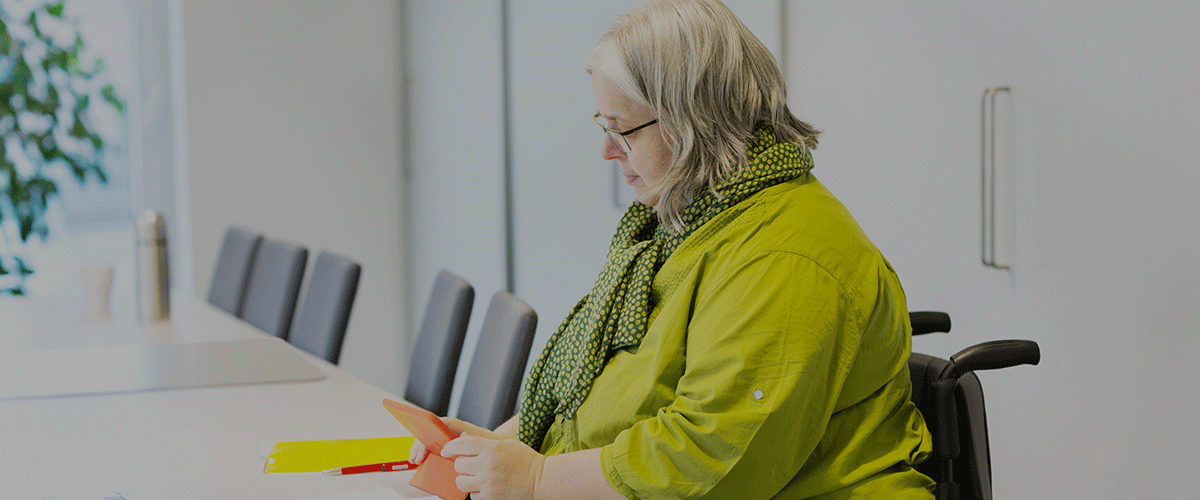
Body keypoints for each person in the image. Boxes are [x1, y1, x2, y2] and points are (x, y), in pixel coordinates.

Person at [411, 0, 935, 498]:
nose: (607, 150)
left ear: (696, 119)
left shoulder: (787, 260)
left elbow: (711, 455)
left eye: (624, 130)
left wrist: (539, 479)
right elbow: (595, 387)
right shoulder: (685, 223)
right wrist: (499, 448)